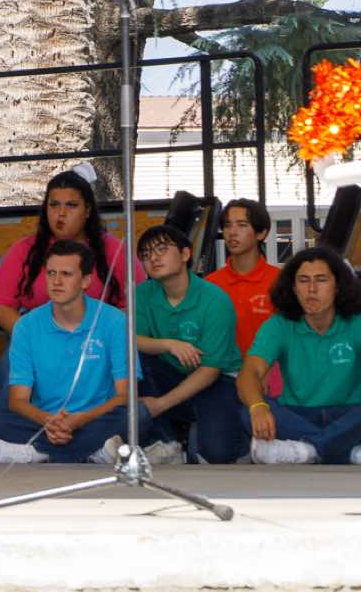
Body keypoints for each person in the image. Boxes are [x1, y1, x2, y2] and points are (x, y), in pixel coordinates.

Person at [0, 239, 151, 464]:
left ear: (86, 280)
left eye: (66, 274)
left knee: (139, 415)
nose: (56, 281)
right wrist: (48, 420)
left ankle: (38, 453)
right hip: (45, 420)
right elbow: (18, 400)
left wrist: (79, 420)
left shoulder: (115, 321)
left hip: (95, 418)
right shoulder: (26, 326)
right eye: (51, 273)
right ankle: (93, 452)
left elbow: (125, 395)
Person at [0, 170, 142, 409]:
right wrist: (35, 338)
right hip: (37, 341)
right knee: (1, 401)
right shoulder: (24, 250)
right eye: (54, 205)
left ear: (87, 211)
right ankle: (34, 427)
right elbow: (2, 307)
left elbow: (137, 303)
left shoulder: (115, 251)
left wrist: (103, 334)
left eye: (71, 205)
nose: (61, 213)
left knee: (134, 409)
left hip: (97, 343)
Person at [132, 223, 246, 465]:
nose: (153, 258)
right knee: (135, 358)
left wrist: (159, 405)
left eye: (162, 249)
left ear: (185, 254)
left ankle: (206, 427)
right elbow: (134, 340)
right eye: (146, 254)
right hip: (170, 372)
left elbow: (210, 370)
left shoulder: (215, 299)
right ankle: (166, 442)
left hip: (217, 380)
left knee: (217, 454)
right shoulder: (141, 293)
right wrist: (169, 345)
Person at [237, 247, 361, 465]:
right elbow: (249, 373)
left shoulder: (356, 322)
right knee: (247, 410)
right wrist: (258, 408)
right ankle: (346, 451)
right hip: (297, 415)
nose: (311, 289)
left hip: (349, 413)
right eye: (303, 281)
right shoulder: (279, 325)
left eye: (321, 280)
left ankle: (306, 451)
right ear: (293, 288)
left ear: (338, 286)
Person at [205, 197, 281, 372]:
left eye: (242, 225)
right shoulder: (210, 284)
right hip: (221, 375)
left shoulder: (281, 281)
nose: (232, 232)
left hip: (269, 376)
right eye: (227, 225)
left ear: (261, 233)